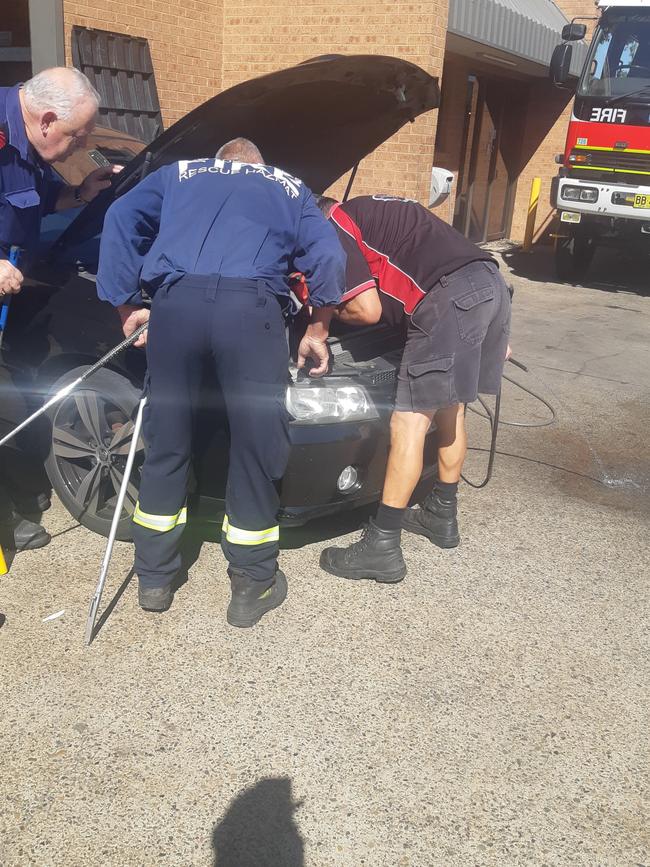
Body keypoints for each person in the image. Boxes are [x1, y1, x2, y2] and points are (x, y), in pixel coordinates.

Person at [96, 138, 345, 627]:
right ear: (258, 164)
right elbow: (329, 257)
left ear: (220, 162)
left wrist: (125, 304)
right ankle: (251, 585)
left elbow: (119, 218)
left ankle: (154, 579)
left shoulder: (179, 174)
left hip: (176, 306)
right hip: (250, 313)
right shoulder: (288, 186)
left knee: (169, 439)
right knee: (254, 442)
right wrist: (317, 329)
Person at [316, 194, 512, 583]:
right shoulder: (381, 209)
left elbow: (367, 310)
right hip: (490, 285)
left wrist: (318, 319)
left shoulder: (333, 223)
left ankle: (381, 546)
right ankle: (442, 513)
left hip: (449, 298)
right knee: (451, 406)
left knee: (408, 423)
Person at [0, 67, 120, 549]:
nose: (80, 144)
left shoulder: (30, 148)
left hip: (11, 301)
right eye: (77, 134)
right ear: (47, 119)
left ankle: (17, 509)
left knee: (11, 406)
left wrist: (80, 194)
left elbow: (34, 202)